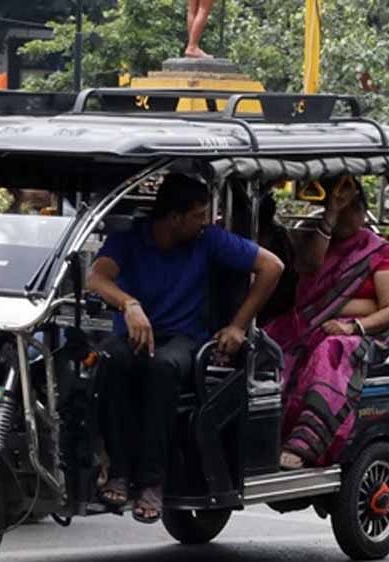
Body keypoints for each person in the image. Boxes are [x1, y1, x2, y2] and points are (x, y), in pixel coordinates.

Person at [87, 173, 283, 524]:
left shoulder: (207, 240)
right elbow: (97, 277)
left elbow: (271, 266)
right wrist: (129, 305)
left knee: (162, 367)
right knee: (109, 361)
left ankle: (152, 482)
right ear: (175, 218)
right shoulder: (129, 239)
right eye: (197, 215)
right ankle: (117, 470)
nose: (204, 222)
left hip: (184, 340)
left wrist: (238, 324)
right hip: (134, 337)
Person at [266, 176, 389, 470]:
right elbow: (310, 269)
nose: (343, 214)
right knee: (266, 347)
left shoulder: (379, 251)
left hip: (363, 333)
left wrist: (352, 325)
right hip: (307, 323)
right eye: (336, 207)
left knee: (332, 350)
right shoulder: (312, 236)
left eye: (350, 207)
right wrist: (328, 216)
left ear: (362, 211)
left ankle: (307, 441)